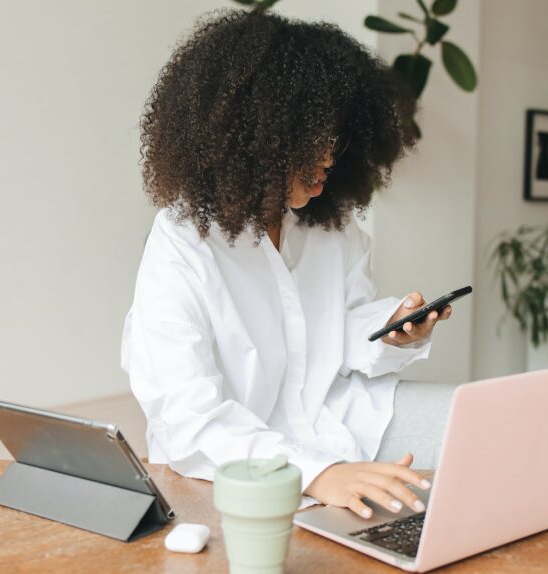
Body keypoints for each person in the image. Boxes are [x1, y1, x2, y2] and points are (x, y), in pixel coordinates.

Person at [122, 10, 452, 520]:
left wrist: (389, 334)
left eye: (336, 139)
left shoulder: (333, 229)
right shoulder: (183, 242)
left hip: (339, 421)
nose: (327, 158)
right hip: (234, 463)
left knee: (485, 425)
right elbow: (186, 418)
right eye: (309, 140)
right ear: (253, 137)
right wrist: (318, 474)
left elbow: (339, 335)